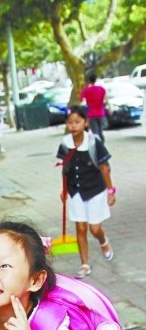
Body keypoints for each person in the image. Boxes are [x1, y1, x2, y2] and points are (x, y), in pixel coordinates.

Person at [56, 105, 116, 279]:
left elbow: (104, 168)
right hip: (76, 191)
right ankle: (84, 264)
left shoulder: (93, 142)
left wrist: (111, 191)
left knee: (94, 228)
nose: (73, 126)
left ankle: (103, 241)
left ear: (86, 122)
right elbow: (65, 168)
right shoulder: (65, 143)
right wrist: (64, 189)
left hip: (96, 190)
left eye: (77, 122)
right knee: (80, 228)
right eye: (70, 122)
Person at [80, 74, 107, 142]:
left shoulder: (86, 90)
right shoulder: (101, 89)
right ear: (96, 80)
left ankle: (98, 145)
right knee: (100, 130)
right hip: (101, 113)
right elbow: (105, 99)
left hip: (91, 113)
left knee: (95, 131)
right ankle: (102, 144)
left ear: (89, 81)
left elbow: (82, 100)